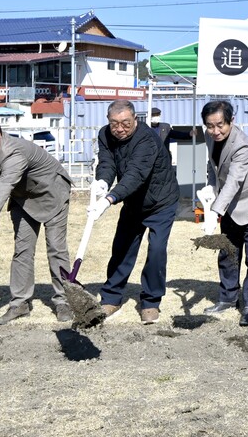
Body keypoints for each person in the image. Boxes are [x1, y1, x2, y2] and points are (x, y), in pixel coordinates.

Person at [0, 115, 74, 326]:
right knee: (22, 250)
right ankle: (20, 303)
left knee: (56, 247)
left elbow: (5, 184)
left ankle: (64, 301)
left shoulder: (14, 152)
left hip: (51, 193)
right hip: (23, 198)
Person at [88, 99, 180, 325]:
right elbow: (108, 162)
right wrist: (102, 181)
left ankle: (150, 301)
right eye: (114, 123)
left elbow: (135, 175)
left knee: (157, 250)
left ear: (135, 120)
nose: (119, 129)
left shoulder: (147, 140)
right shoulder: (105, 135)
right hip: (133, 203)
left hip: (161, 201)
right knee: (122, 248)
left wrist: (109, 199)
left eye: (125, 123)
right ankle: (111, 298)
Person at [198, 100, 248, 326]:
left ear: (232, 121)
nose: (215, 131)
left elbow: (233, 181)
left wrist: (213, 212)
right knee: (228, 254)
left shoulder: (242, 145)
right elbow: (215, 167)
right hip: (229, 205)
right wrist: (210, 187)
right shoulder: (209, 136)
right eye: (210, 126)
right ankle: (228, 298)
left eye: (220, 125)